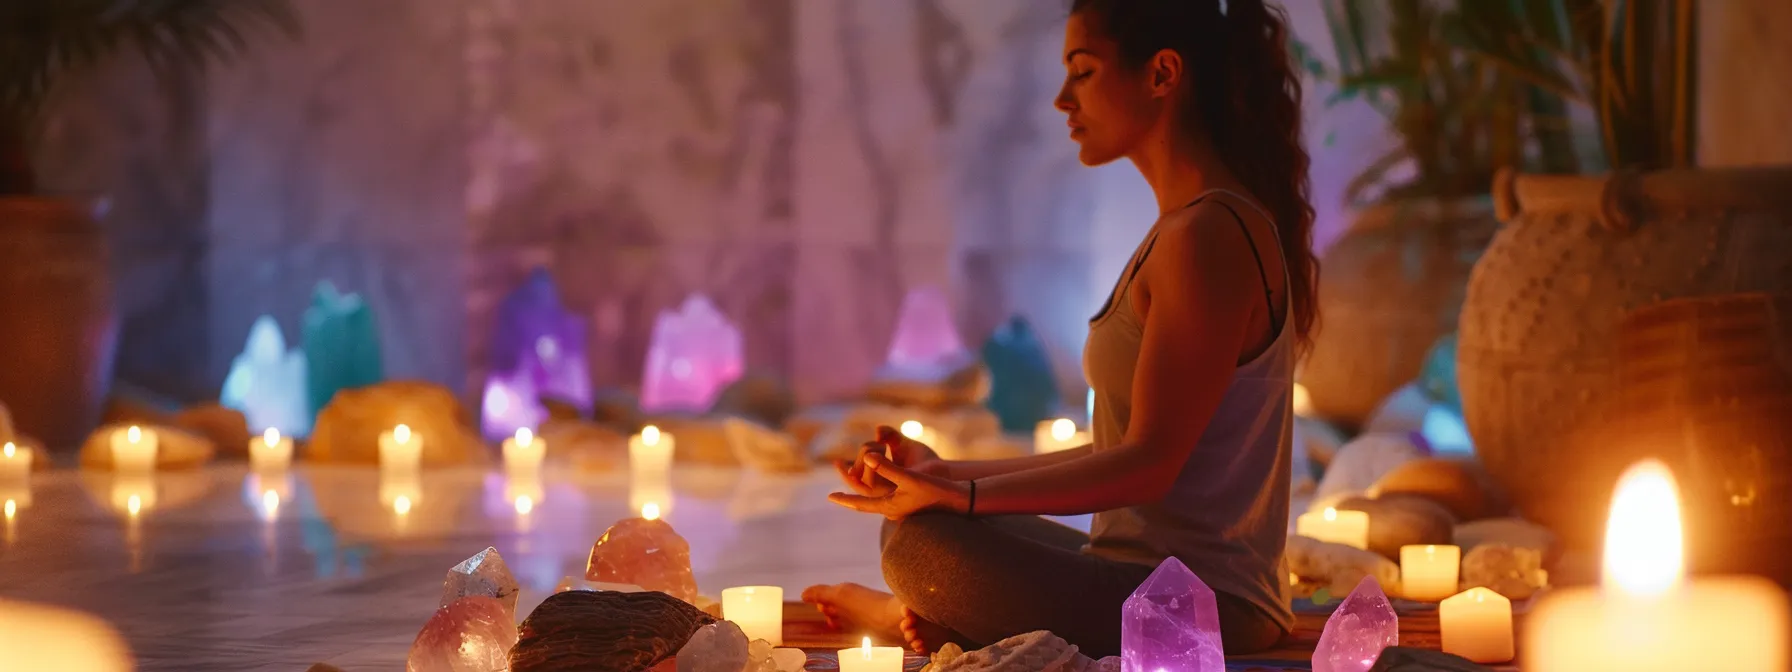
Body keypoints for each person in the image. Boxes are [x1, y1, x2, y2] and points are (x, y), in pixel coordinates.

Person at [802, 0, 1318, 658]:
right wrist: (945, 475)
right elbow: (1125, 444)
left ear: (1162, 74)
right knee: (915, 521)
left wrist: (959, 497)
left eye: (1083, 71)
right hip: (1139, 577)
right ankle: (950, 616)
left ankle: (939, 617)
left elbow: (1149, 466)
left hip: (1197, 609)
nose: (1060, 100)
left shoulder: (1208, 235)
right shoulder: (1188, 227)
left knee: (923, 547)